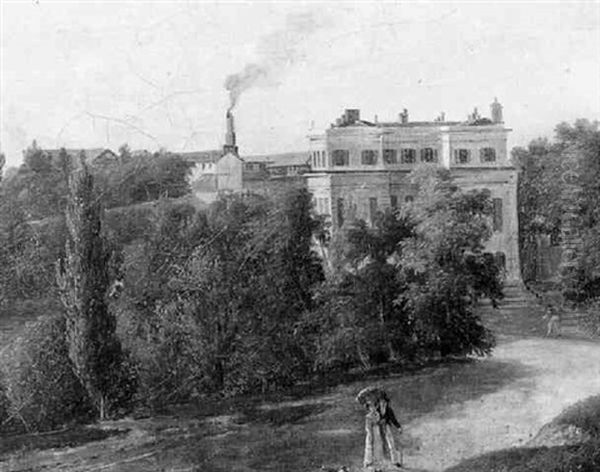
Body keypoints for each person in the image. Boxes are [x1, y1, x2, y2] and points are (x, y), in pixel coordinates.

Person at [357, 388, 403, 470]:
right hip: (379, 428)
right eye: (381, 402)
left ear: (386, 402)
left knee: (391, 442)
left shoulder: (389, 410)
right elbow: (373, 417)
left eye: (384, 402)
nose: (383, 403)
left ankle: (395, 461)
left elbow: (393, 419)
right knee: (377, 444)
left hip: (386, 426)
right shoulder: (375, 410)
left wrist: (398, 427)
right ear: (379, 402)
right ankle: (372, 462)